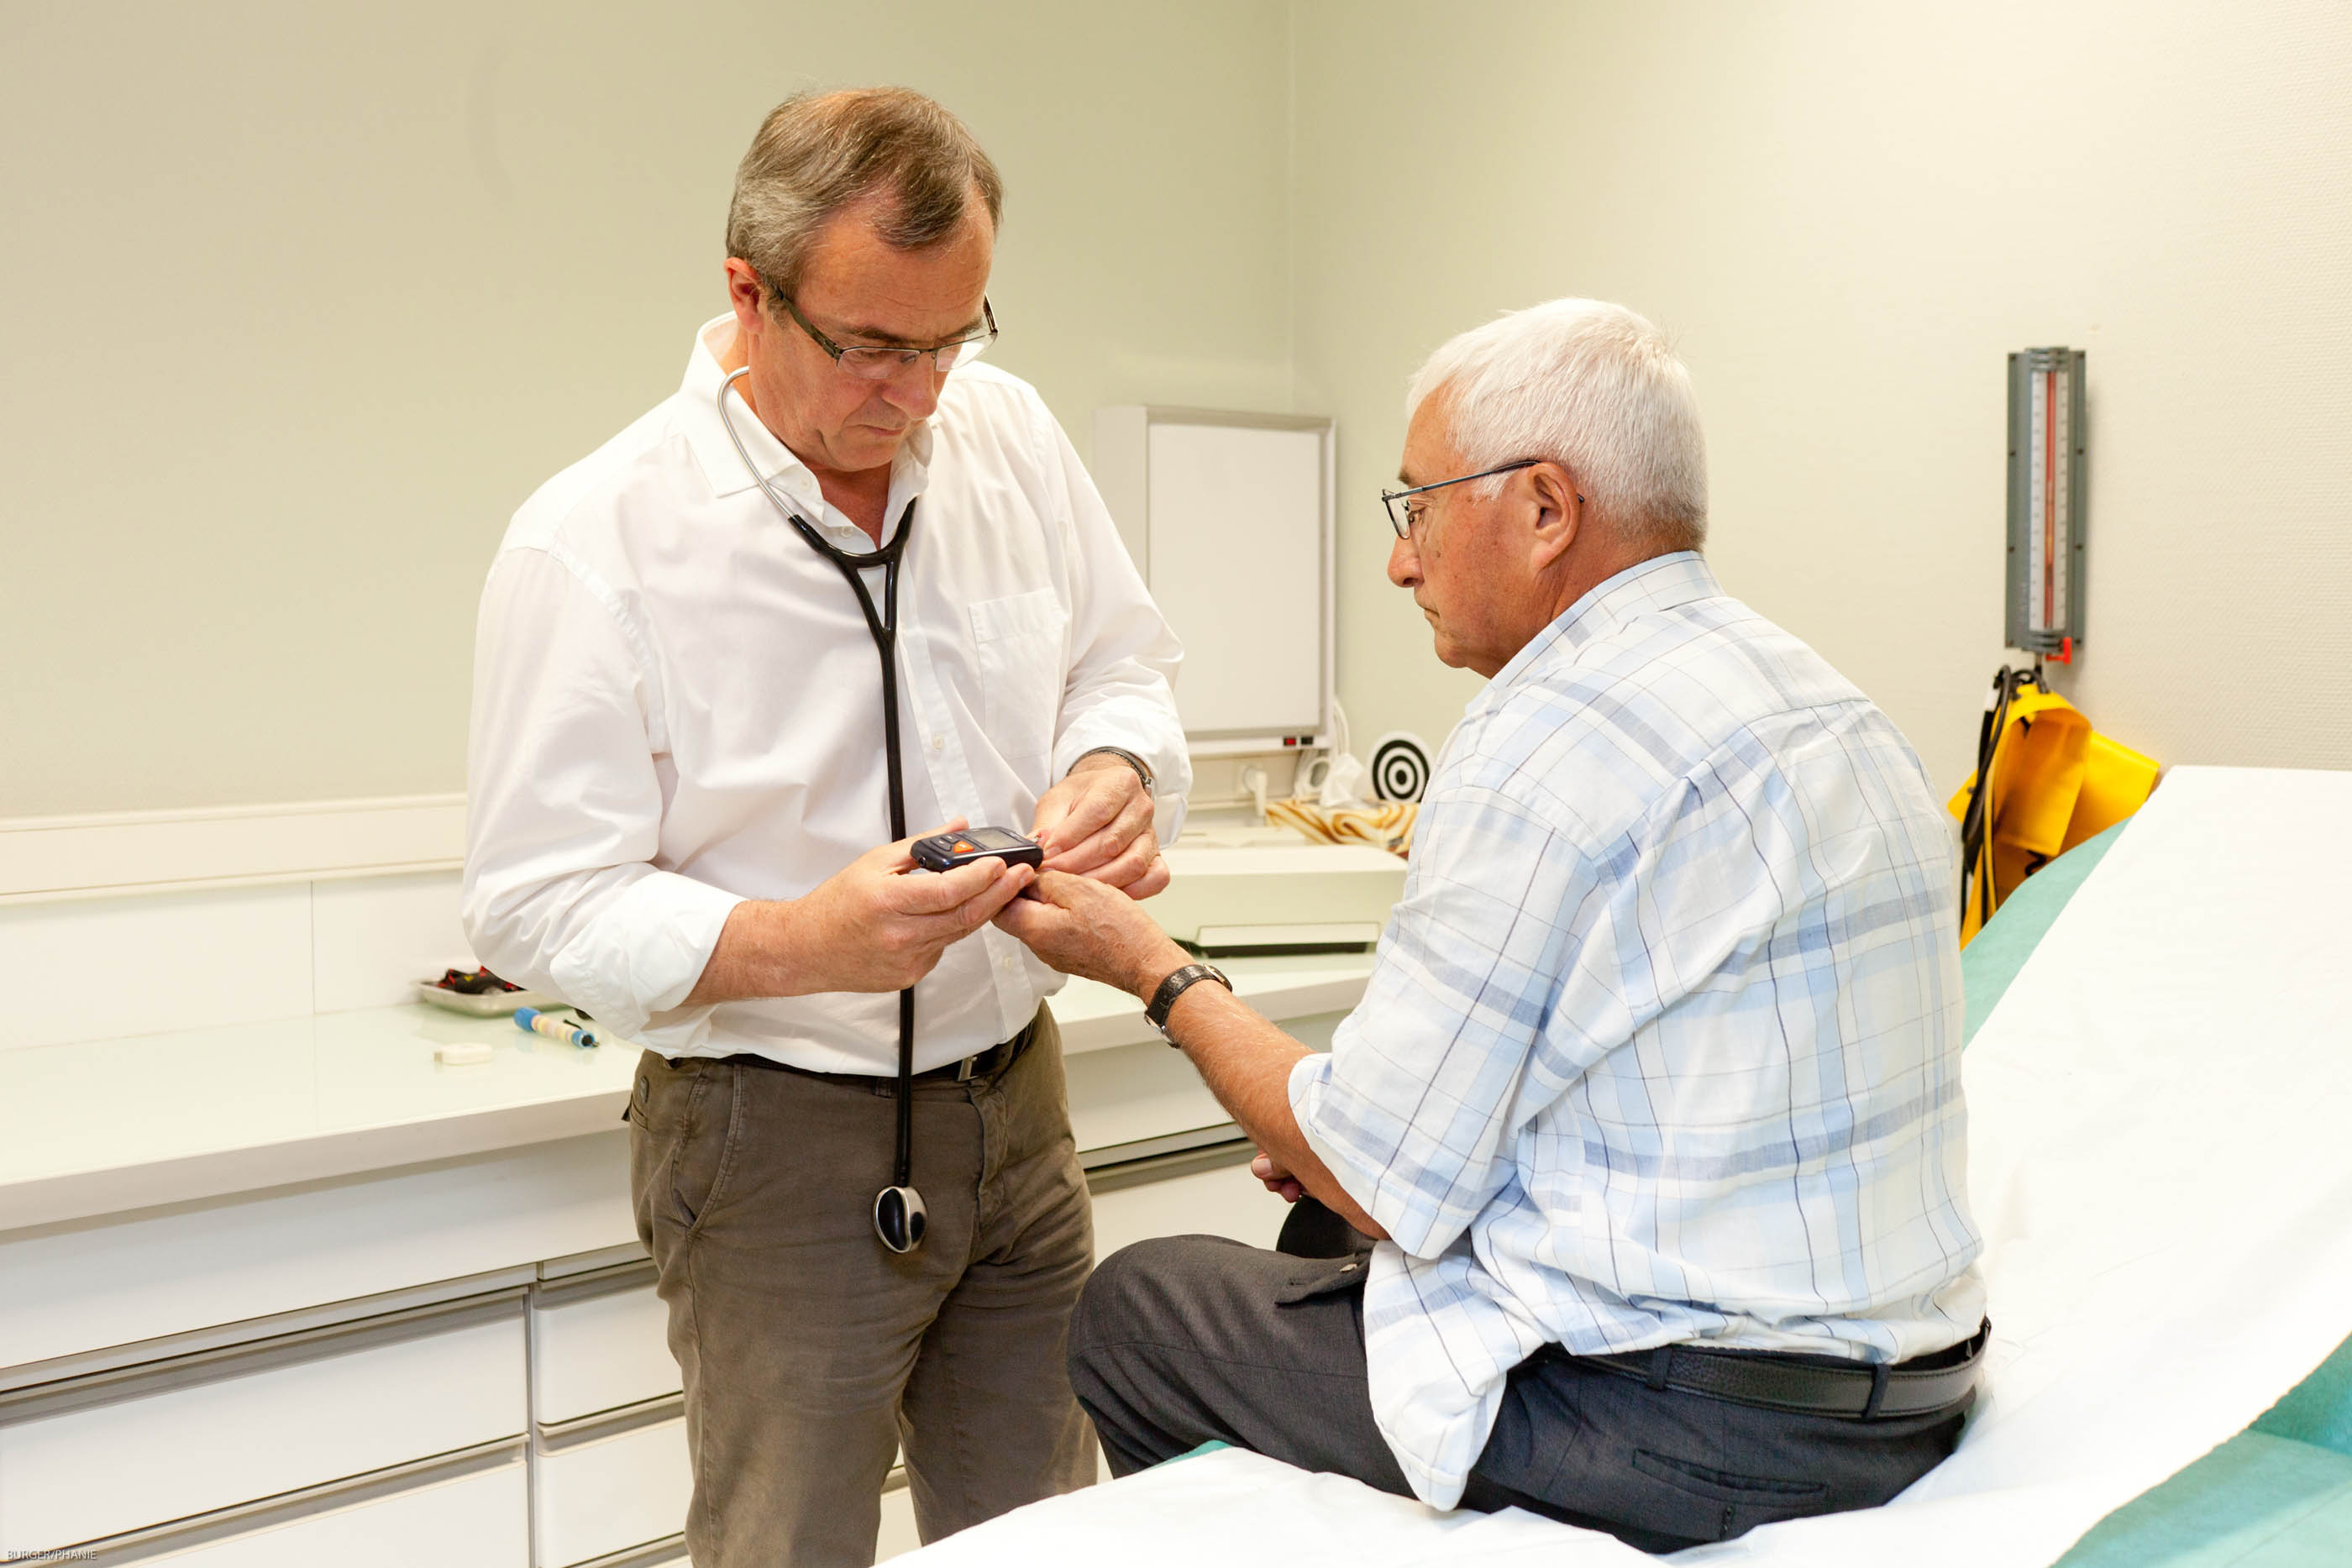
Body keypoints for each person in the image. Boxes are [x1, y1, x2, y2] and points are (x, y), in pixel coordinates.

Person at [994, 298, 1988, 1553]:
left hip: (1701, 1429)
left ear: (1546, 509)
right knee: (1320, 1231)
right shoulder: (1827, 702)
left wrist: (1151, 967)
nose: (1399, 562)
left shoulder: (1543, 736)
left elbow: (1376, 1174)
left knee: (1142, 1309)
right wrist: (1346, 1147)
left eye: (1416, 508)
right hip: (1907, 1395)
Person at [462, 87, 1189, 1568]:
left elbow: (1121, 663)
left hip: (1017, 1109)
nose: (918, 392)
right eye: (872, 347)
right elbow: (534, 899)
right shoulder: (594, 542)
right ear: (750, 293)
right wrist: (802, 941)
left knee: (1052, 1542)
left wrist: (1114, 765)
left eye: (951, 339)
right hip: (772, 1140)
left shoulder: (1008, 435)